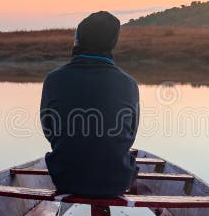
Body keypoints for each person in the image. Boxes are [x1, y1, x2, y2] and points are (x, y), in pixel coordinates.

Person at [40, 11, 139, 197]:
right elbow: (130, 135)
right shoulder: (129, 84)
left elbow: (49, 131)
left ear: (78, 40)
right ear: (113, 43)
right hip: (117, 181)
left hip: (65, 178)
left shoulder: (53, 79)